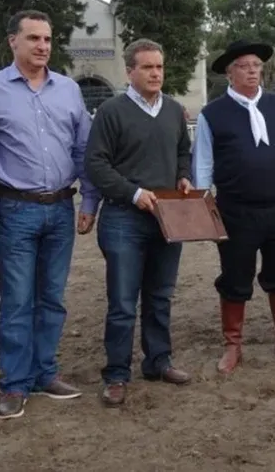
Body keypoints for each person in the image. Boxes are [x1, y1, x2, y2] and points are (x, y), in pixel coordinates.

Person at [0, 10, 99, 420]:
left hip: (62, 208)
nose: (42, 46)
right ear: (13, 41)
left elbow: (82, 149)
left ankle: (45, 372)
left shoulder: (68, 90)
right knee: (17, 300)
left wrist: (89, 201)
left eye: (47, 39)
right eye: (33, 39)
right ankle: (14, 382)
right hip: (15, 209)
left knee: (52, 298)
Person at [191, 39, 275, 375]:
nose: (252, 72)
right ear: (230, 74)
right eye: (243, 66)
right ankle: (233, 345)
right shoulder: (212, 114)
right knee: (234, 277)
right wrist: (205, 204)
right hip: (235, 210)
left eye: (256, 66)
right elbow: (202, 161)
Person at [85, 39, 193, 405]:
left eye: (159, 67)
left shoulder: (175, 110)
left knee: (160, 295)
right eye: (147, 67)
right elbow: (96, 165)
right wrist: (133, 193)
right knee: (123, 302)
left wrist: (182, 175)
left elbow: (182, 151)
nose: (155, 73)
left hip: (168, 217)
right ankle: (116, 373)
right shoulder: (110, 112)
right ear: (130, 70)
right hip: (124, 218)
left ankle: (158, 360)